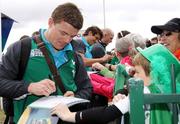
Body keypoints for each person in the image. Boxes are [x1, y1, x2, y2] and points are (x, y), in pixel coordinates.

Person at [0, 2, 92, 123]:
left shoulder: (75, 54)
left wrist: (75, 97)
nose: (66, 40)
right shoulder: (22, 47)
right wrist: (29, 87)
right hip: (28, 120)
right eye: (63, 33)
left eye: (72, 36)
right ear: (50, 22)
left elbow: (87, 88)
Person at [50, 44, 180, 124]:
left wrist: (69, 115)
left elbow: (107, 114)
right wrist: (121, 93)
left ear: (154, 74)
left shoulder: (146, 90)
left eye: (138, 72)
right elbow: (126, 88)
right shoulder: (164, 90)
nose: (133, 76)